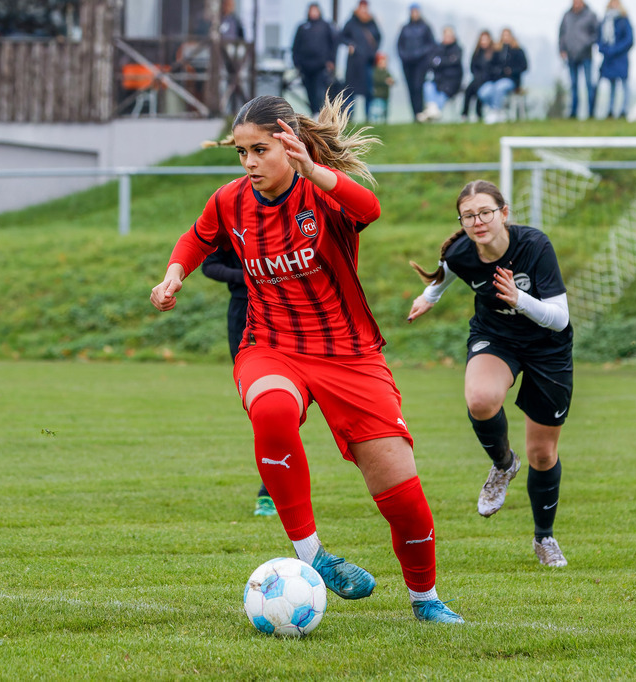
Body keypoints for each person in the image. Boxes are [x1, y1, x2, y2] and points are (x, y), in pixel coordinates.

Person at [150, 94, 464, 623]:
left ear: (288, 145)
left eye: (259, 150)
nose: (248, 163)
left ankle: (425, 598)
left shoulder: (322, 195)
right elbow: (195, 239)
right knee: (271, 411)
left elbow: (370, 208)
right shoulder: (229, 201)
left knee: (402, 495)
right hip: (270, 345)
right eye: (241, 153)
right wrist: (173, 274)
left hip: (349, 354)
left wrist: (312, 169)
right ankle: (311, 554)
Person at [407, 180, 573, 569]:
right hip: (496, 337)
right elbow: (444, 275)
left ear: (504, 213)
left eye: (485, 212)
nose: (478, 221)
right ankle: (502, 465)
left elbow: (559, 318)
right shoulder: (462, 252)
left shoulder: (535, 246)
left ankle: (544, 538)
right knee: (480, 400)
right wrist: (427, 298)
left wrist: (520, 299)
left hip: (548, 347)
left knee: (543, 453)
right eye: (469, 216)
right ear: (462, 222)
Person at [201, 246, 278, 517]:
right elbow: (209, 266)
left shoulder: (286, 213)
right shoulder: (228, 217)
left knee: (286, 408)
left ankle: (274, 490)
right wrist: (247, 275)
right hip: (243, 313)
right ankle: (269, 492)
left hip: (288, 311)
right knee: (264, 408)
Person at [292, 2, 337, 116]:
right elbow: (295, 46)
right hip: (305, 66)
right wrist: (296, 63)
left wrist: (331, 61)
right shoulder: (302, 27)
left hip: (320, 66)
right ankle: (314, 113)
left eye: (315, 10)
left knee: (320, 92)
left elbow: (333, 44)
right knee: (309, 92)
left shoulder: (326, 26)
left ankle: (320, 114)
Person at [340, 0, 381, 120]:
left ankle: (368, 117)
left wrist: (373, 52)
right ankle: (349, 117)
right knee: (350, 91)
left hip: (368, 62)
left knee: (369, 91)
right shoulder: (351, 22)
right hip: (354, 63)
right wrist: (350, 44)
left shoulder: (372, 23)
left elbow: (378, 38)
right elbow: (342, 36)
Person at [478, 28, 529, 124]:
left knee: (499, 88)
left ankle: (496, 111)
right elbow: (491, 66)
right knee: (484, 91)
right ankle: (497, 110)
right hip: (496, 79)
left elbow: (524, 66)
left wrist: (511, 71)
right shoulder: (497, 51)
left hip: (511, 80)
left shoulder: (518, 51)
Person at [560, 0, 600, 120]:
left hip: (586, 55)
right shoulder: (567, 15)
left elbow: (597, 33)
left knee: (589, 84)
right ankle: (573, 112)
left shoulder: (591, 15)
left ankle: (591, 113)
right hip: (571, 56)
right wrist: (562, 49)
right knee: (573, 85)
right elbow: (561, 34)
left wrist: (586, 44)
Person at [397, 3, 436, 122]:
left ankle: (420, 113)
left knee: (418, 87)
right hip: (408, 64)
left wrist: (418, 54)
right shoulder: (405, 28)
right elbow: (399, 45)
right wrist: (405, 56)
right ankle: (415, 114)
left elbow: (431, 45)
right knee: (410, 89)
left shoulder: (425, 28)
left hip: (420, 64)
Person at [598, 0, 634, 119]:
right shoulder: (605, 21)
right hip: (609, 58)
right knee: (611, 85)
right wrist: (605, 49)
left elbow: (629, 39)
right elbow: (600, 39)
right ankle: (610, 110)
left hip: (621, 57)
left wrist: (616, 49)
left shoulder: (624, 20)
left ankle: (624, 110)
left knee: (624, 84)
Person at [419, 25, 463, 122]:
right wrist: (447, 61)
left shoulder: (457, 49)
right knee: (428, 86)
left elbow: (453, 62)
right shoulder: (437, 48)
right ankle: (434, 112)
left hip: (452, 82)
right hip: (438, 80)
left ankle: (430, 113)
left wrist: (440, 62)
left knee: (443, 92)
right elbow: (431, 62)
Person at [462, 30, 496, 121]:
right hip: (477, 78)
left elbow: (495, 68)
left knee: (480, 91)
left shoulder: (494, 53)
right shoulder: (477, 52)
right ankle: (465, 114)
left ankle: (479, 113)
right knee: (468, 90)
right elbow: (472, 66)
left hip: (489, 79)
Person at [369, 52, 395, 123]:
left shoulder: (386, 72)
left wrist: (392, 81)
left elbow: (392, 79)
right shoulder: (375, 71)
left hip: (385, 95)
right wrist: (385, 81)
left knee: (385, 110)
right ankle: (375, 122)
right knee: (377, 110)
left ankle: (384, 122)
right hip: (378, 95)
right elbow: (376, 79)